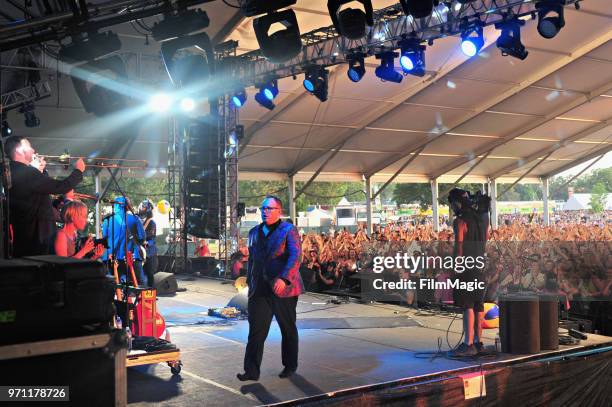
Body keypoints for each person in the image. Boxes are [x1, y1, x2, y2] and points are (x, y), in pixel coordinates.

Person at [237, 195, 304, 381]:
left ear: (279, 211)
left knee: (287, 328)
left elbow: (295, 257)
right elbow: (253, 260)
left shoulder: (288, 230)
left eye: (270, 208)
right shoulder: (253, 232)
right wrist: (246, 275)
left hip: (283, 288)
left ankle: (290, 365)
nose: (266, 211)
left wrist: (284, 278)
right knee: (256, 330)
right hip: (259, 289)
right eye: (263, 208)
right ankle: (251, 371)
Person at [5, 136, 85, 257]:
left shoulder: (15, 172)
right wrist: (78, 171)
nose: (33, 150)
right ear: (19, 150)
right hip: (37, 239)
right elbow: (60, 187)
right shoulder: (27, 173)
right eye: (29, 147)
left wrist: (40, 171)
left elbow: (42, 190)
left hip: (27, 236)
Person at [102, 196, 147, 286]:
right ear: (127, 206)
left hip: (111, 257)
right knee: (140, 284)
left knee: (112, 285)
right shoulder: (135, 219)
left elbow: (104, 237)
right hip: (131, 256)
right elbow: (142, 237)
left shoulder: (107, 219)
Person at [138, 199, 158, 287]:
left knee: (149, 273)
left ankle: (151, 293)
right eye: (142, 206)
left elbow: (153, 238)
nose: (141, 208)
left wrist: (147, 243)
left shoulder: (152, 222)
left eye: (144, 207)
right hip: (139, 251)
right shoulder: (138, 220)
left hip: (149, 251)